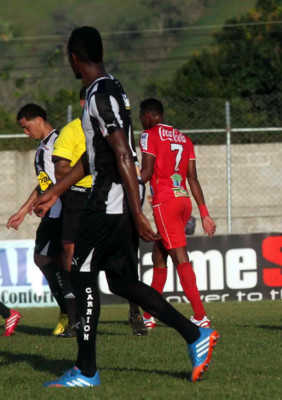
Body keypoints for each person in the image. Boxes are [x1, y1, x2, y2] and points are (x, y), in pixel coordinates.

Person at [32, 26, 219, 387]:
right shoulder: (109, 88)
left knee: (80, 275)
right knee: (120, 281)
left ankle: (86, 371)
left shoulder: (100, 95)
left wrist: (136, 213)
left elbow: (122, 155)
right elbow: (95, 156)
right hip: (116, 202)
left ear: (74, 57)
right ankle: (195, 335)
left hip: (107, 204)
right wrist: (56, 190)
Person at [53, 87, 148, 337]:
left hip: (113, 198)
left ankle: (136, 313)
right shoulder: (72, 130)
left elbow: (125, 159)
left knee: (125, 264)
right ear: (85, 103)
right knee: (74, 261)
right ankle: (77, 321)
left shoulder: (114, 128)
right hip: (79, 199)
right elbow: (61, 170)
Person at [138, 98, 216, 330]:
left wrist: (126, 182)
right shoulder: (184, 138)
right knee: (159, 256)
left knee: (180, 257)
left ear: (150, 115)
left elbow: (146, 172)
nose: (141, 121)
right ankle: (149, 315)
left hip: (165, 202)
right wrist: (204, 213)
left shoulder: (149, 135)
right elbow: (193, 178)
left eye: (142, 117)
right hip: (184, 202)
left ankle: (200, 315)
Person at [6, 104, 75, 338]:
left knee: (53, 260)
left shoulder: (57, 143)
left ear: (37, 119)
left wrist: (50, 201)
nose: (26, 133)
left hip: (61, 211)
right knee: (50, 260)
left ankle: (70, 316)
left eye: (26, 127)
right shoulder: (43, 147)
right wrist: (24, 210)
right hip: (52, 209)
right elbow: (44, 183)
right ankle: (70, 315)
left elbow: (64, 178)